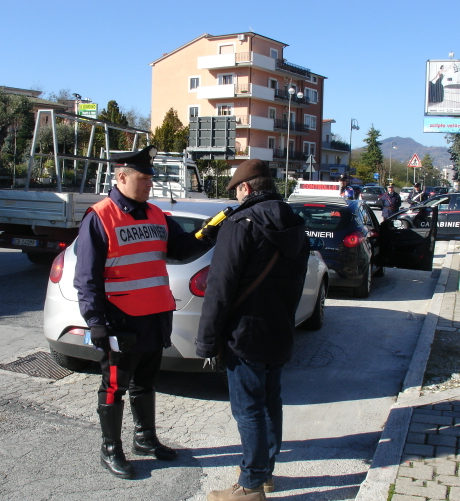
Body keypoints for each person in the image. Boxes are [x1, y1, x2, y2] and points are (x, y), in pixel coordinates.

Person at [74, 145, 209, 479]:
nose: (150, 184)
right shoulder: (100, 217)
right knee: (114, 385)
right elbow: (86, 278)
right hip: (120, 321)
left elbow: (182, 248)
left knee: (146, 382)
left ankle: (145, 440)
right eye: (144, 178)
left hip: (155, 317)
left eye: (151, 178)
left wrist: (212, 230)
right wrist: (96, 322)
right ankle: (110, 450)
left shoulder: (157, 215)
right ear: (122, 177)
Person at [196, 159, 309, 501]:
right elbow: (298, 283)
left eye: (238, 189)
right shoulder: (295, 224)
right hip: (280, 330)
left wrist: (206, 342)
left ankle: (251, 486)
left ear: (245, 189)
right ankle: (264, 471)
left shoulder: (240, 223)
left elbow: (220, 287)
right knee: (270, 402)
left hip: (244, 334)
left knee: (247, 409)